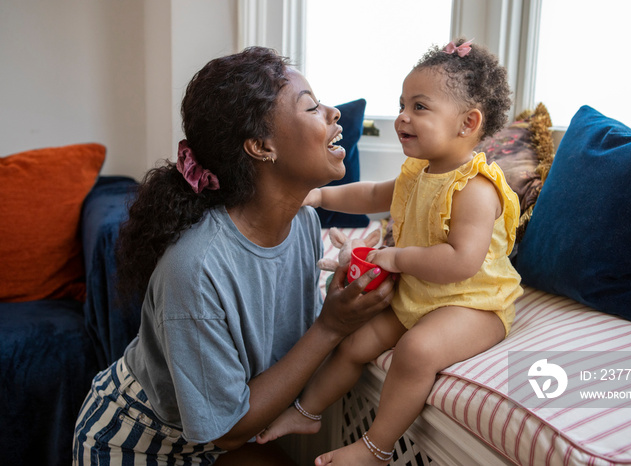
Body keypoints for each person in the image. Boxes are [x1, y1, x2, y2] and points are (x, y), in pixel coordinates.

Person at [71, 46, 394, 465]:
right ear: (261, 147)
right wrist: (331, 326)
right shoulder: (194, 269)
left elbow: (287, 337)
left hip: (213, 441)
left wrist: (341, 293)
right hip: (132, 444)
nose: (333, 113)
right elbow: (227, 429)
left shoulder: (303, 224)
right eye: (312, 107)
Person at [256, 38, 524, 465]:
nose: (402, 117)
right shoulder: (419, 170)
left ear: (467, 123)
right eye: (402, 105)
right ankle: (306, 413)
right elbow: (375, 194)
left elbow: (462, 262)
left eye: (419, 107)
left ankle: (375, 448)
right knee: (356, 341)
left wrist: (396, 258)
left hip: (473, 303)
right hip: (421, 292)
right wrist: (321, 197)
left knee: (416, 352)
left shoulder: (475, 188)